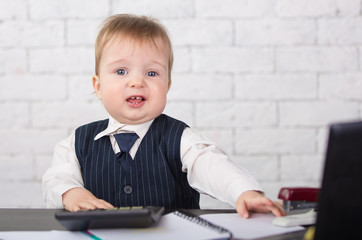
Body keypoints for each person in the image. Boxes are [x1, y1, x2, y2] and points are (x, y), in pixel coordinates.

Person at [42, 14, 285, 219]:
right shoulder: (78, 141)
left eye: (151, 72)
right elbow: (56, 178)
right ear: (98, 86)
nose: (137, 81)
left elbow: (213, 165)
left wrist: (244, 192)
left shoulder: (180, 138)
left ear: (167, 85)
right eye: (121, 71)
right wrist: (70, 193)